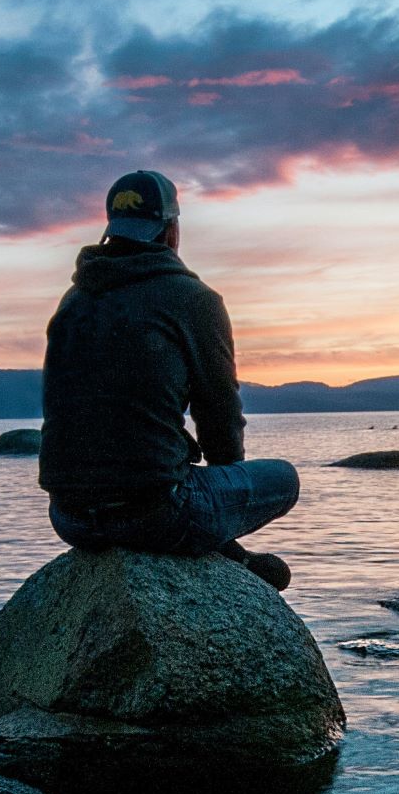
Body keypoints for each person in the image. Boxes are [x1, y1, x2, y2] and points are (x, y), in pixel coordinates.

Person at [38, 169, 299, 590]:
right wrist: (221, 500)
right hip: (155, 513)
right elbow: (219, 415)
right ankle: (225, 551)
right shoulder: (192, 299)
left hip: (68, 518)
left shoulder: (73, 301)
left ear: (111, 230)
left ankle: (226, 552)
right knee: (284, 478)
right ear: (171, 230)